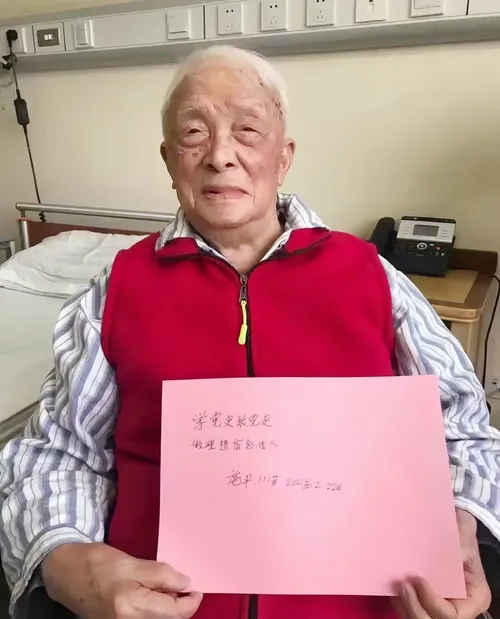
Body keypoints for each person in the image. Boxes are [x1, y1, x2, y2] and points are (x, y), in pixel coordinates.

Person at [0, 45, 498, 619]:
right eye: (193, 133)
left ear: (283, 157)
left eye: (248, 130)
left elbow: (463, 430)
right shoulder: (116, 292)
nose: (220, 156)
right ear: (168, 160)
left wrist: (462, 529)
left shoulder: (372, 276)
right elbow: (59, 454)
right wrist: (70, 564)